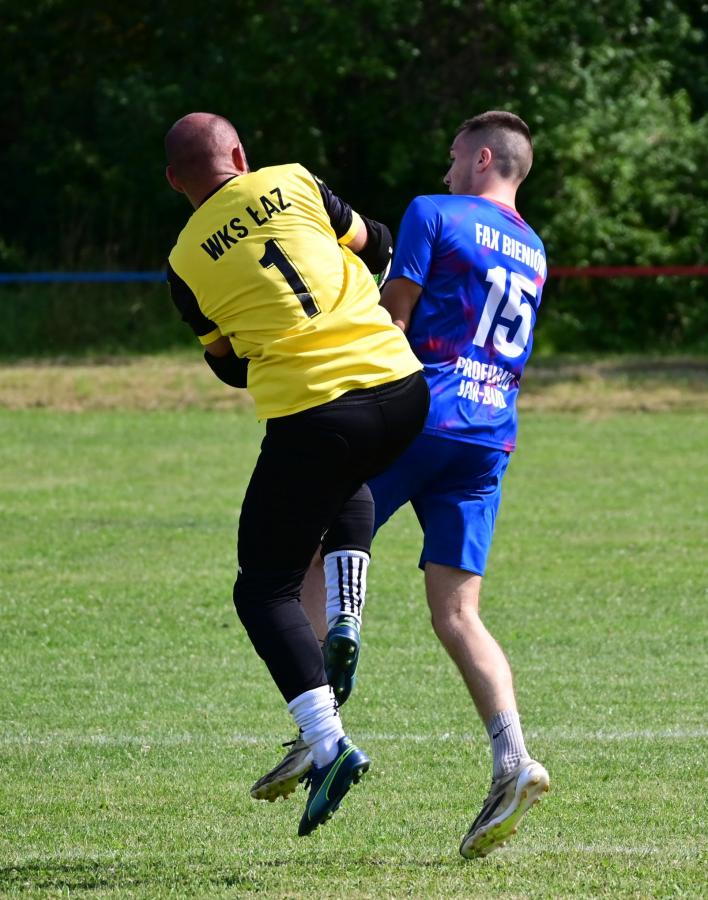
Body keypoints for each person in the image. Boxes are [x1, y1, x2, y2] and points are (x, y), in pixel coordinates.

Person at [254, 110, 550, 858]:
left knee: (311, 549)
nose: (446, 169)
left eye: (454, 155)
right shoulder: (535, 248)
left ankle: (319, 726)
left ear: (481, 159)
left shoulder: (434, 212)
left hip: (421, 414)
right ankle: (514, 759)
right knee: (458, 614)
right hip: (490, 435)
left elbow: (392, 317)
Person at [164, 112, 429, 837]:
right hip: (403, 386)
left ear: (175, 182)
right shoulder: (294, 180)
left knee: (263, 588)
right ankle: (344, 618)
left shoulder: (184, 260)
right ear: (240, 153)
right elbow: (379, 242)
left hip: (317, 413)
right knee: (347, 476)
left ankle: (328, 743)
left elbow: (226, 365)